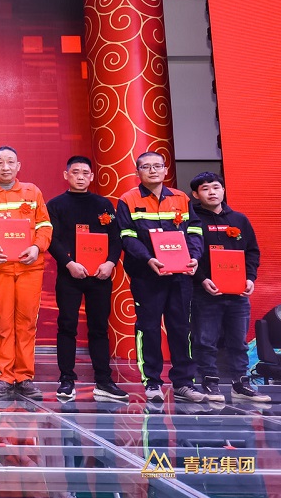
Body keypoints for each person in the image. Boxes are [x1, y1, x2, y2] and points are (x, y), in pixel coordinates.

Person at [115, 151, 207, 403]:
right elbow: (126, 236)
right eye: (146, 167)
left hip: (180, 275)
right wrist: (148, 259)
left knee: (181, 328)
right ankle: (152, 382)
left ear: (166, 170)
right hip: (147, 275)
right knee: (149, 328)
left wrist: (194, 257)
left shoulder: (181, 198)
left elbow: (195, 230)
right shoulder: (128, 200)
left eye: (157, 166)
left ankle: (184, 383)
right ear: (137, 172)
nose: (153, 170)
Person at [45, 156, 128, 402]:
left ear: (91, 177)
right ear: (66, 175)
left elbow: (116, 237)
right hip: (70, 274)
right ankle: (66, 379)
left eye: (85, 173)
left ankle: (103, 380)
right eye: (75, 172)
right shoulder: (56, 205)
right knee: (67, 326)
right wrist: (69, 264)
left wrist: (110, 263)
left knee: (99, 328)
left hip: (100, 275)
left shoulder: (103, 204)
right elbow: (52, 239)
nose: (80, 177)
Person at [0, 145, 52, 400]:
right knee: (3, 324)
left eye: (10, 162)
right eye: (0, 162)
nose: (5, 167)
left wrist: (36, 247)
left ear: (19, 166)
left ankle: (25, 376)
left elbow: (44, 225)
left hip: (30, 268)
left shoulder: (32, 192)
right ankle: (5, 377)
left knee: (27, 323)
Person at [189, 171, 269, 403]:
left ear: (223, 190)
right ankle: (209, 382)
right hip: (205, 292)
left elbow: (252, 252)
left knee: (238, 341)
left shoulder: (239, 220)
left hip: (237, 293)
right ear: (196, 194)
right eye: (205, 189)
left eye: (216, 187)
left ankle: (240, 384)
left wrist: (250, 278)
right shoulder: (192, 221)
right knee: (205, 340)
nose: (212, 192)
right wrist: (202, 279)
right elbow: (189, 254)